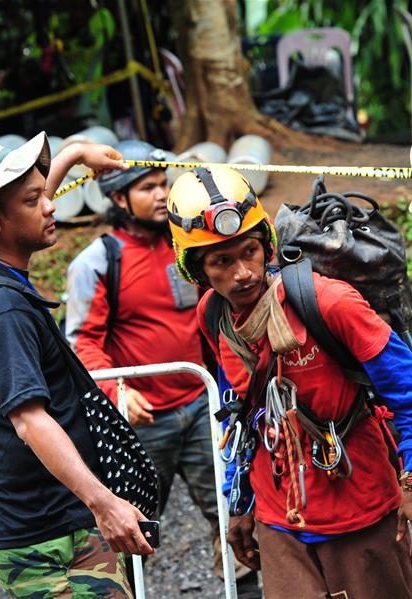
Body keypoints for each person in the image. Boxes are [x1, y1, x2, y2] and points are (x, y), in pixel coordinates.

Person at [167, 165, 412, 598]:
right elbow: (239, 416)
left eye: (250, 252)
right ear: (197, 272)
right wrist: (237, 505)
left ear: (267, 246)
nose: (243, 273)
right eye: (222, 261)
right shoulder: (214, 317)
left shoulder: (328, 302)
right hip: (279, 523)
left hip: (361, 510)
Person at [0, 133, 154, 597]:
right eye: (36, 200)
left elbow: (22, 204)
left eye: (46, 194)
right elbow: (30, 421)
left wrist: (75, 156)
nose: (52, 206)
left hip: (48, 517)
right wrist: (106, 505)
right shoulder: (3, 310)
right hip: (46, 537)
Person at [64, 140, 249, 586]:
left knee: (236, 515)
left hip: (204, 408)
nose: (161, 195)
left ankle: (243, 590)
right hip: (142, 424)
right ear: (117, 198)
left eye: (163, 184)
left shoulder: (189, 247)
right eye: (147, 187)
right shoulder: (97, 261)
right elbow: (83, 342)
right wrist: (118, 393)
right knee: (131, 530)